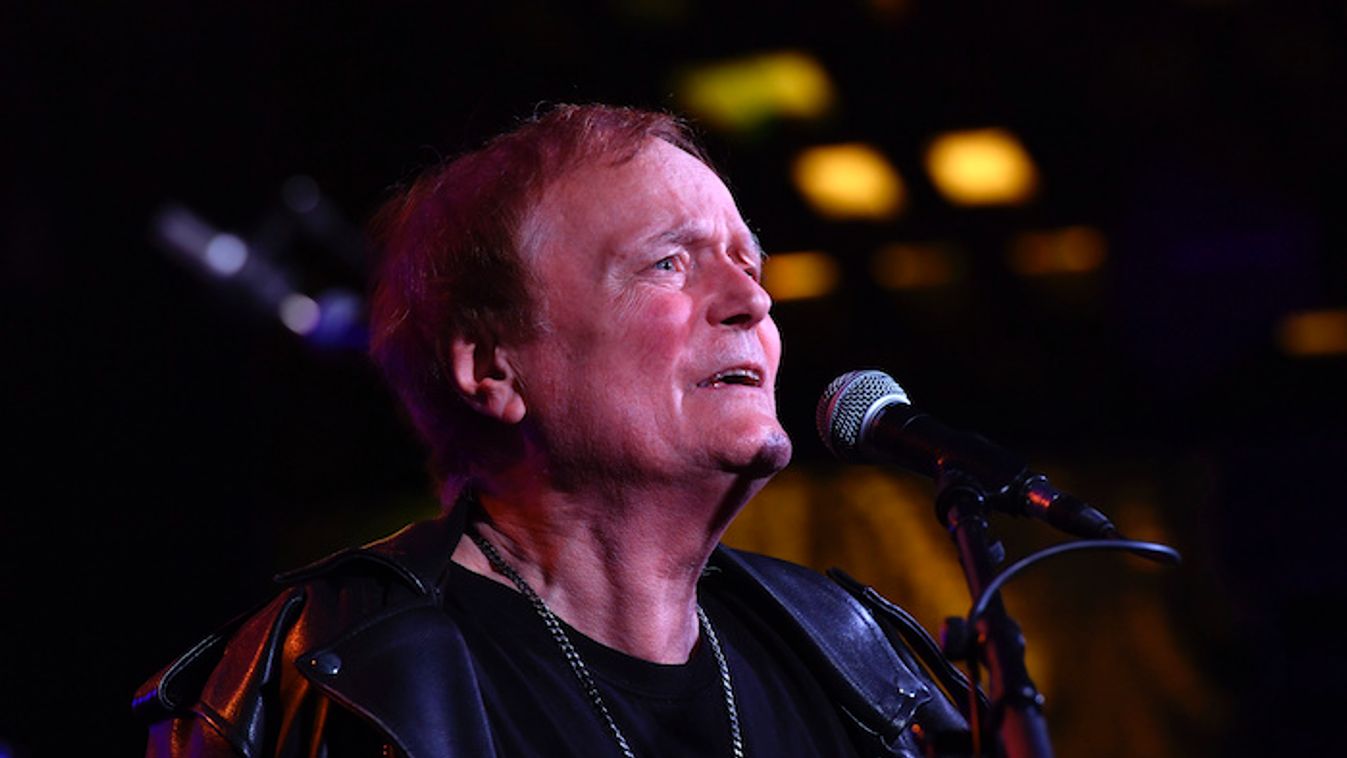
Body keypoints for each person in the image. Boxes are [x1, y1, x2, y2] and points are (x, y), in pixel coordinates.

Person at [133, 103, 976, 757]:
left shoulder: (859, 663)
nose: (752, 300)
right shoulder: (308, 677)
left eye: (747, 264)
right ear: (492, 368)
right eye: (667, 263)